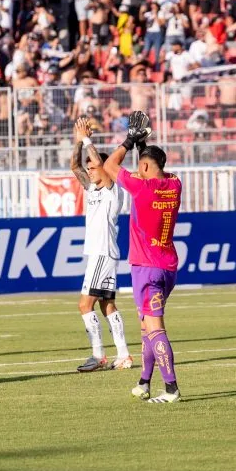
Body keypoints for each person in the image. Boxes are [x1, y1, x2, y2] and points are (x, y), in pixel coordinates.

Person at [101, 111, 184, 403]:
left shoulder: (141, 187)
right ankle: (145, 381)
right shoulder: (174, 184)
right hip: (167, 265)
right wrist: (143, 148)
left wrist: (129, 140)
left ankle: (172, 388)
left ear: (146, 166)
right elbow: (148, 171)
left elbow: (109, 165)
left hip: (145, 268)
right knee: (146, 326)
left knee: (155, 328)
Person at [70, 118, 132, 373]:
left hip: (102, 253)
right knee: (108, 305)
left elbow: (100, 162)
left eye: (94, 167)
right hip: (102, 254)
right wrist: (77, 144)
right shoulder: (92, 190)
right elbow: (75, 165)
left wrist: (87, 140)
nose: (90, 170)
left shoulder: (111, 190)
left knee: (85, 305)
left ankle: (98, 355)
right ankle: (124, 355)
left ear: (105, 170)